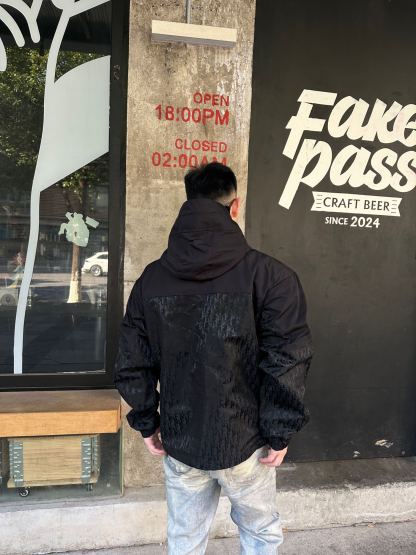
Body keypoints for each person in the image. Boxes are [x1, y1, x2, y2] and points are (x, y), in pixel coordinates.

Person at [114, 162, 313, 554]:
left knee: (185, 539)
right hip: (246, 443)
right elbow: (287, 360)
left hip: (181, 440)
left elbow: (132, 360)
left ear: (188, 203)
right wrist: (280, 432)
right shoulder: (271, 277)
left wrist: (147, 422)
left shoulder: (151, 280)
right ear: (234, 206)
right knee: (260, 534)